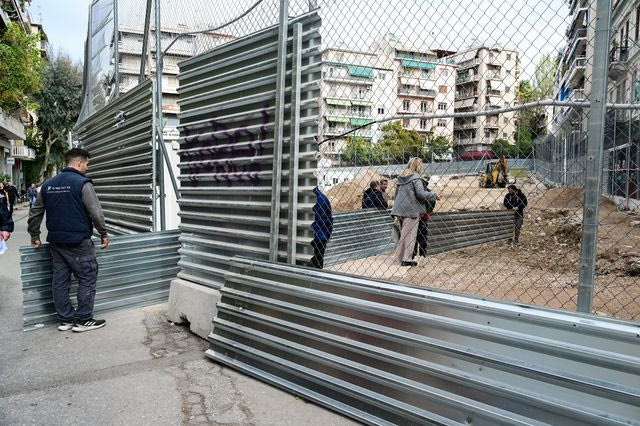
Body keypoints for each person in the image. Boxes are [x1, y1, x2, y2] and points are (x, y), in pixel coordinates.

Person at [28, 148, 110, 332]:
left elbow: (35, 212)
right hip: (78, 242)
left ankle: (65, 319)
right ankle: (83, 319)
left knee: (60, 280)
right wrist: (103, 232)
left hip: (56, 242)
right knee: (87, 277)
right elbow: (96, 213)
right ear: (79, 163)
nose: (87, 168)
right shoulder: (83, 183)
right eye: (87, 164)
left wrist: (35, 235)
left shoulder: (48, 185)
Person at [391, 157, 436, 266]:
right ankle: (406, 259)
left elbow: (396, 195)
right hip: (412, 211)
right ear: (418, 166)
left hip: (400, 210)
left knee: (404, 235)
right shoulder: (416, 178)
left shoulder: (402, 178)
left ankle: (398, 257)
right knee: (410, 235)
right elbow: (421, 194)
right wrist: (434, 195)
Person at [413, 175, 438, 259]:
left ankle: (415, 254)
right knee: (422, 237)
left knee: (415, 237)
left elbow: (432, 201)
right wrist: (428, 211)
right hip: (421, 217)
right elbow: (433, 201)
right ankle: (422, 255)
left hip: (417, 216)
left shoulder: (421, 191)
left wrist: (428, 211)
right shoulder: (427, 191)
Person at [310, 186, 333, 269]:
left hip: (307, 237)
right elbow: (329, 220)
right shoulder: (324, 198)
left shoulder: (304, 196)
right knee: (318, 266)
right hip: (321, 238)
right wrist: (327, 236)